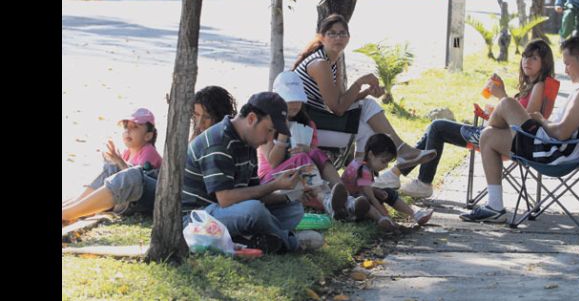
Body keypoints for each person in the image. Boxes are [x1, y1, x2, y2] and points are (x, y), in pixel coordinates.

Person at [460, 35, 579, 222]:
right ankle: (494, 205)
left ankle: (494, 202)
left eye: (567, 64)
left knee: (507, 103)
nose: (566, 70)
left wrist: (542, 120)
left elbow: (562, 132)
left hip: (551, 152)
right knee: (489, 136)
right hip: (566, 150)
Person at [393, 39, 556, 198]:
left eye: (534, 58)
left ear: (545, 63)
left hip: (503, 142)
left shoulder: (539, 86)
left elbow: (526, 124)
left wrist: (503, 97)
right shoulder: (530, 87)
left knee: (437, 127)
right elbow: (515, 116)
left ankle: (419, 181)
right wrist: (493, 112)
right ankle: (399, 172)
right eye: (525, 56)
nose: (527, 61)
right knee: (433, 129)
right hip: (501, 137)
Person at [62, 87, 238, 225]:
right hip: (164, 184)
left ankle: (68, 213)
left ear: (219, 116)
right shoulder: (199, 136)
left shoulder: (217, 143)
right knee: (112, 167)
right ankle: (73, 207)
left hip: (179, 199)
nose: (199, 123)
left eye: (206, 117)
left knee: (132, 177)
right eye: (196, 116)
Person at [181, 91, 324, 253]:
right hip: (197, 218)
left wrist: (290, 194)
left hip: (225, 212)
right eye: (269, 130)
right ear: (251, 119)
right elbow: (226, 199)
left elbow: (255, 194)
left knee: (293, 209)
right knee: (253, 211)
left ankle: (249, 238)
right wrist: (274, 185)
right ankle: (290, 242)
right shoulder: (219, 142)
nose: (270, 139)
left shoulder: (248, 142)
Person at [293, 14, 437, 169]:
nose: (338, 38)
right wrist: (359, 82)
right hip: (307, 130)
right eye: (332, 33)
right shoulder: (320, 63)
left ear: (348, 37)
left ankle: (365, 178)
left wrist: (367, 91)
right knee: (366, 124)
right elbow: (338, 109)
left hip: (320, 121)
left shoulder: (333, 60)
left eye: (342, 33)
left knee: (367, 113)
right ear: (321, 37)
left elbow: (342, 99)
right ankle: (384, 164)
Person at [258, 71, 370, 221]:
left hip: (304, 178)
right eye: (289, 100)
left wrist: (307, 149)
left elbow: (314, 159)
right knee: (303, 158)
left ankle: (346, 204)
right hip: (271, 180)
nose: (294, 104)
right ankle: (331, 202)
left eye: (297, 99)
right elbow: (272, 163)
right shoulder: (268, 123)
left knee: (314, 154)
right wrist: (283, 134)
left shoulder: (308, 124)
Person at [341, 134, 433, 231]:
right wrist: (386, 216)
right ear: (371, 155)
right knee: (372, 199)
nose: (386, 166)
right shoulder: (364, 170)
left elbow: (361, 187)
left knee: (386, 192)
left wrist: (376, 191)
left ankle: (414, 214)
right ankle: (386, 221)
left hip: (355, 197)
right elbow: (371, 198)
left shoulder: (360, 163)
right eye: (383, 162)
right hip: (352, 205)